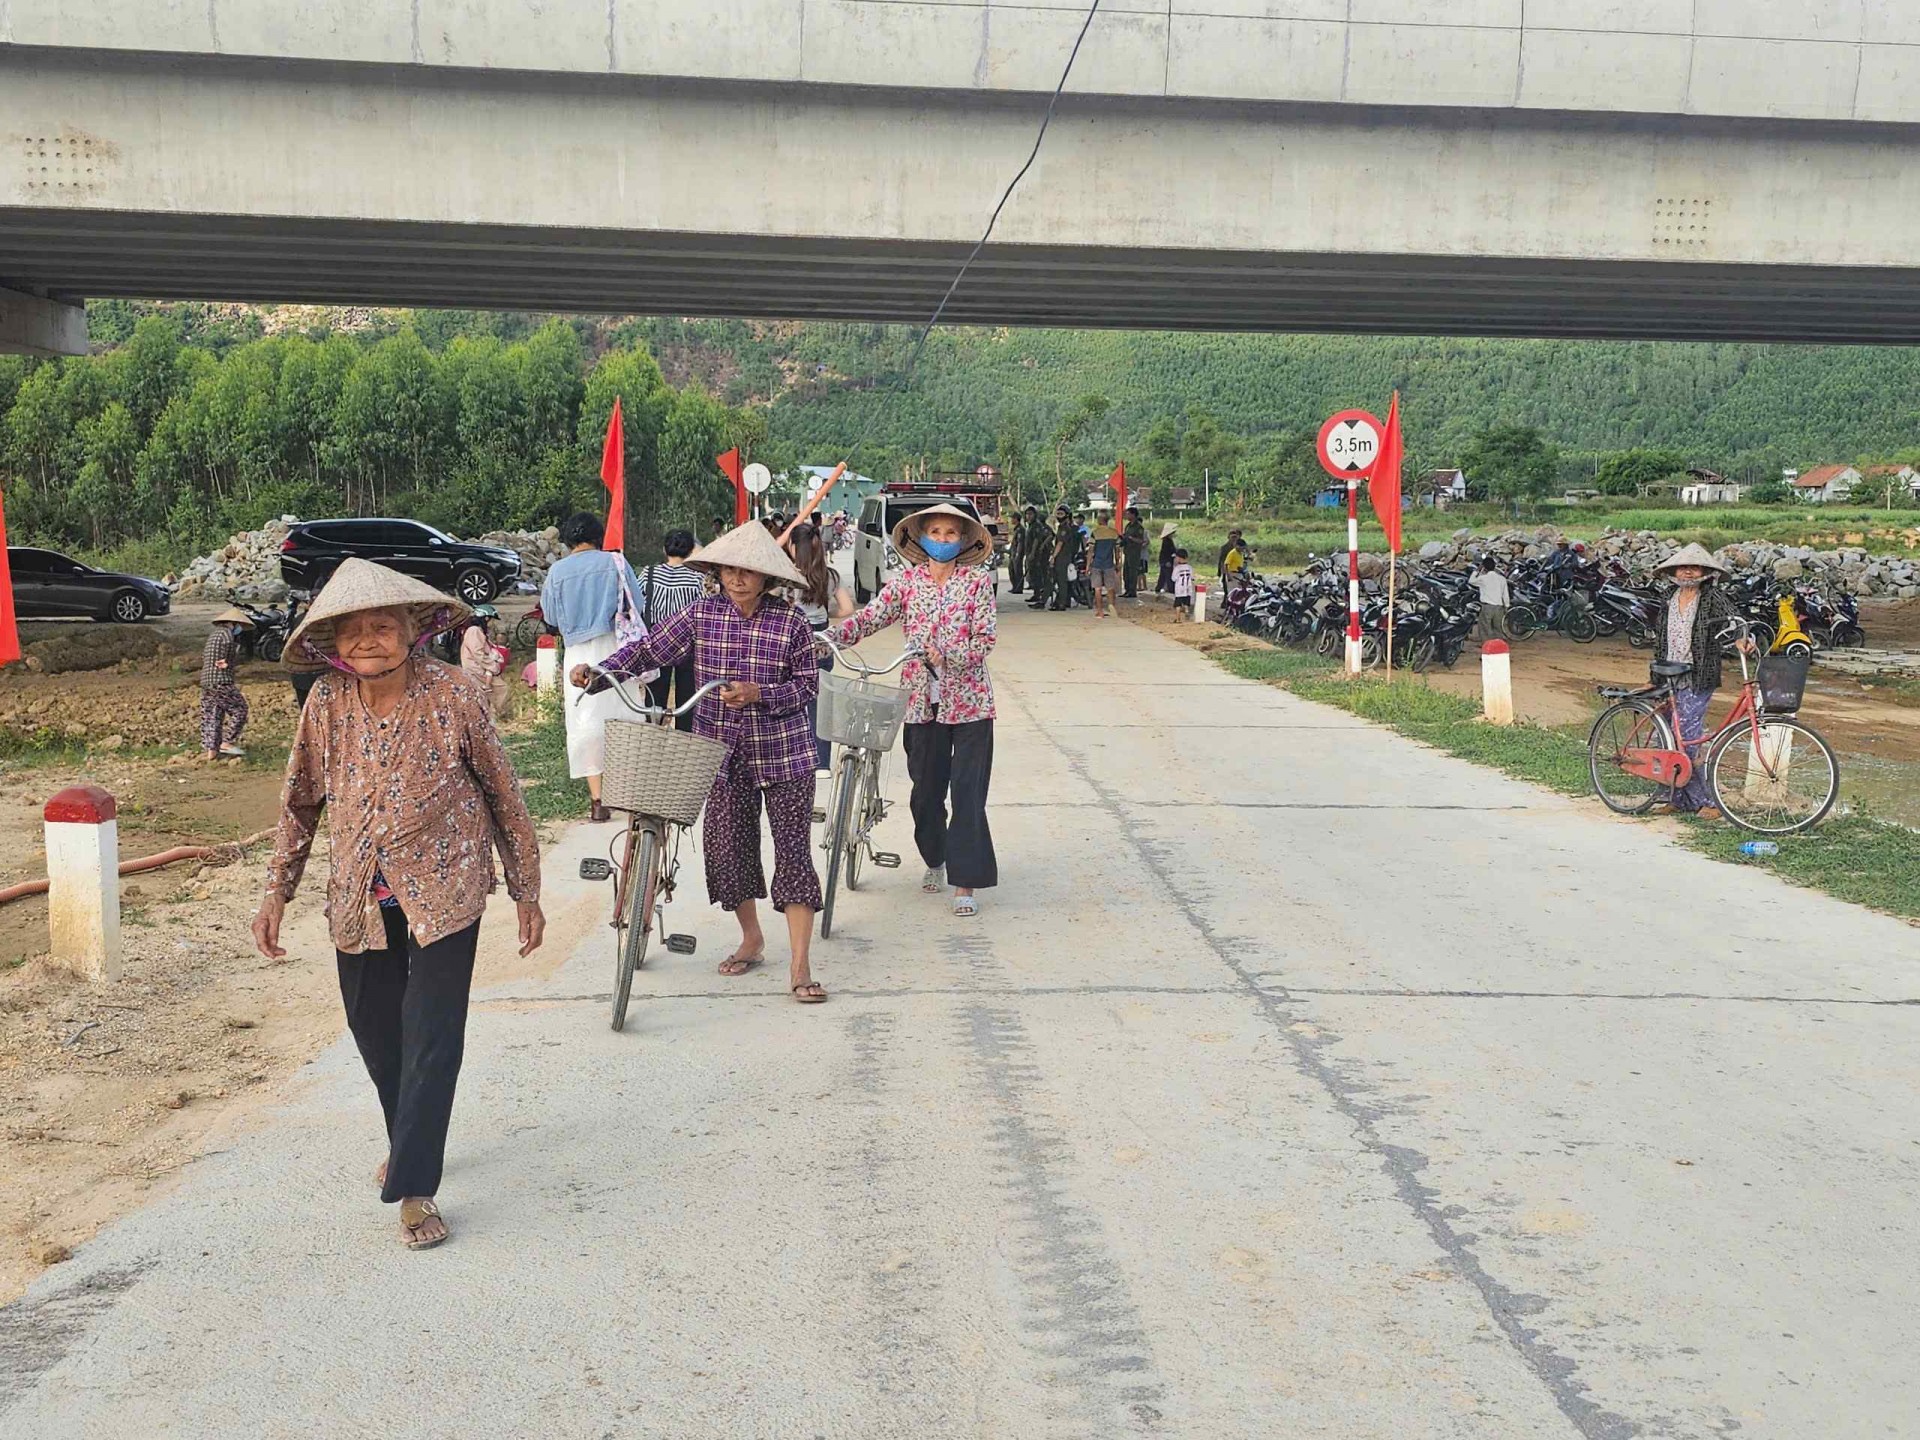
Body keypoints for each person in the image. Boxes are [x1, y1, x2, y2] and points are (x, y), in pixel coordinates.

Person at [254, 560, 544, 1251]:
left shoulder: (455, 694)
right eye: (351, 630)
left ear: (412, 630)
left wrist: (526, 888)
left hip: (446, 888)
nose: (367, 641)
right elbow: (300, 802)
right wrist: (276, 890)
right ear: (333, 643)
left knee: (432, 1037)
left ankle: (415, 1187)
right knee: (377, 1033)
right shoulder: (325, 701)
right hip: (358, 892)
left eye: (382, 626)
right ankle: (408, 1136)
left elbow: (503, 791)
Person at [574, 523, 829, 1004]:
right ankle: (752, 938)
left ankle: (801, 965)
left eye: (748, 571)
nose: (737, 578)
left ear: (767, 578)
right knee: (728, 850)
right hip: (721, 753)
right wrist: (599, 673)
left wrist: (759, 693)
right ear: (716, 571)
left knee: (794, 853)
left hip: (784, 753)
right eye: (729, 569)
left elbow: (806, 686)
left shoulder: (791, 622)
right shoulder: (701, 614)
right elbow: (649, 650)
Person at [829, 504, 997, 917]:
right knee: (925, 793)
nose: (942, 539)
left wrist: (949, 655)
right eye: (935, 532)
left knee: (968, 793)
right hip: (921, 703)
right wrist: (828, 638)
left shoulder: (976, 583)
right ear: (920, 538)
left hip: (970, 703)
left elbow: (985, 640)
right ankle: (936, 858)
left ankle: (965, 881)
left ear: (963, 540)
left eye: (950, 533)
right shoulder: (906, 582)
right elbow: (870, 618)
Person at [540, 513, 647, 823]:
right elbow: (637, 605)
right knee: (624, 717)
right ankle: (626, 795)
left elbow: (550, 618)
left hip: (577, 654)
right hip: (617, 647)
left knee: (586, 724)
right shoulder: (616, 562)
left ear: (568, 540)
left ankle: (598, 801)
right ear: (599, 537)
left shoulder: (557, 572)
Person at [1650, 543, 1750, 819]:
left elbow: (1736, 621)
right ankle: (1676, 798)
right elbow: (1660, 639)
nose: (1688, 572)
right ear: (1674, 572)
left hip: (1698, 675)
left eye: (1694, 568)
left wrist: (1742, 638)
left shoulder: (1712, 597)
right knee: (1667, 736)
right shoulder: (1668, 596)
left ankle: (1708, 801)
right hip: (1668, 673)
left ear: (1705, 572)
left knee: (1688, 738)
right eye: (1683, 567)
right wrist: (1654, 679)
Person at [786, 520, 854, 772]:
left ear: (794, 547)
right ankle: (821, 763)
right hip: (822, 642)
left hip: (791, 641)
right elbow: (847, 609)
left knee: (789, 699)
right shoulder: (830, 575)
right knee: (820, 704)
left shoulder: (785, 576)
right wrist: (826, 613)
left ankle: (793, 758)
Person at [635, 530, 707, 734]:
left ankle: (653, 736)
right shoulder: (697, 578)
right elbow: (704, 609)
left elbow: (637, 602)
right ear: (691, 551)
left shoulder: (649, 573)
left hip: (657, 641)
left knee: (655, 697)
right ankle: (683, 738)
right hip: (687, 643)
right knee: (687, 696)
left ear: (664, 549)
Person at [199, 608, 254, 760]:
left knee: (212, 715)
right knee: (240, 709)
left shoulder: (213, 635)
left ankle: (212, 751)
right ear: (233, 623)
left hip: (206, 681)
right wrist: (229, 662)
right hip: (221, 680)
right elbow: (226, 659)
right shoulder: (228, 635)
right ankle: (227, 741)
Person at [457, 604, 510, 718]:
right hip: (475, 668)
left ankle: (491, 715)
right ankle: (496, 715)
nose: (492, 623)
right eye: (492, 620)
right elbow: (478, 653)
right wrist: (493, 666)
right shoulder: (474, 631)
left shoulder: (478, 631)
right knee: (501, 688)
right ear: (486, 618)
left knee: (487, 692)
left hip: (478, 667)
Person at [1088, 514, 1121, 618]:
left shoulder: (1095, 533)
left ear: (1099, 521)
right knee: (1110, 587)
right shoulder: (1114, 533)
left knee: (1097, 589)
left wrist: (1088, 565)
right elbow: (1117, 551)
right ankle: (1111, 606)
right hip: (1109, 564)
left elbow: (1090, 551)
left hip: (1096, 564)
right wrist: (1117, 563)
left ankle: (1100, 611)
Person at [1472, 558, 1511, 642]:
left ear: (1484, 567)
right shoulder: (1502, 579)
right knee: (1498, 628)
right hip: (1499, 607)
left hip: (1487, 607)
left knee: (1485, 628)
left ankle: (1486, 644)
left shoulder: (1483, 578)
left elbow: (1471, 581)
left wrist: (1477, 570)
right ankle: (1499, 644)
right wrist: (1507, 606)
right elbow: (1505, 595)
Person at [1048, 506, 1079, 611]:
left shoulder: (1065, 528)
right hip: (1064, 556)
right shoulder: (1065, 527)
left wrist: (1053, 557)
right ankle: (1062, 601)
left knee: (1062, 581)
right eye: (1058, 514)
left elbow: (1060, 544)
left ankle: (1062, 603)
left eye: (1061, 514)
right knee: (1060, 580)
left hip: (1063, 557)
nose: (1059, 516)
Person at [1025, 508, 1056, 610]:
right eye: (1027, 514)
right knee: (1033, 574)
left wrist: (1034, 552)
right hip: (1033, 553)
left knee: (1039, 575)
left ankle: (1040, 594)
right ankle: (1037, 593)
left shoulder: (1038, 526)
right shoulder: (1031, 526)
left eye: (1031, 514)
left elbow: (1037, 540)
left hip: (1040, 555)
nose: (1028, 516)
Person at [1121, 508, 1148, 599]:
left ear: (1133, 515)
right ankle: (1127, 590)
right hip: (1127, 551)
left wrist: (1131, 538)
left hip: (1134, 553)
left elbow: (1141, 540)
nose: (1127, 516)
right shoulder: (1128, 526)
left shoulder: (1138, 527)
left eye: (1128, 514)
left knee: (1133, 572)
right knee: (1126, 572)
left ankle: (1132, 591)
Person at [1007, 508, 1028, 594]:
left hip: (1017, 552)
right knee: (1012, 570)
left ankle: (1019, 588)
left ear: (1016, 519)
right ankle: (1014, 586)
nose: (1011, 520)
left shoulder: (1020, 529)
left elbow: (1020, 543)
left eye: (1012, 518)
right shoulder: (1016, 529)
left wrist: (1018, 554)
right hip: (1013, 552)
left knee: (1017, 570)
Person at [1171, 549, 1195, 618]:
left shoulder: (1177, 568)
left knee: (1178, 604)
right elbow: (1192, 577)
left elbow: (1173, 578)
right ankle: (1186, 611)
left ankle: (1178, 618)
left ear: (1178, 558)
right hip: (1188, 588)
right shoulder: (1190, 567)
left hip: (1179, 589)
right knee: (1186, 601)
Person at [1156, 523, 1178, 594]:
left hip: (1165, 560)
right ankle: (1171, 588)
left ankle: (1159, 587)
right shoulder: (1167, 541)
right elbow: (1167, 552)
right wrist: (1167, 561)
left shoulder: (1167, 540)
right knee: (1168, 575)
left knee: (1163, 575)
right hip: (1166, 560)